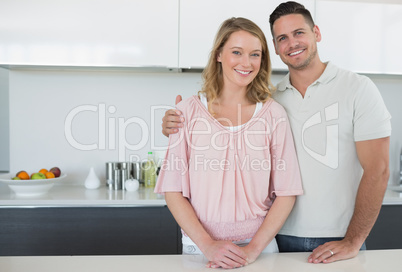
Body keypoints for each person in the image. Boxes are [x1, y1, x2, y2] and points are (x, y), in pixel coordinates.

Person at [161, 1, 391, 265]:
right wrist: (175, 123)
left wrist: (353, 240)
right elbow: (176, 183)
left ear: (316, 33)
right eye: (282, 37)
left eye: (299, 33)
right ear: (219, 54)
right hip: (278, 236)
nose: (292, 43)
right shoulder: (274, 97)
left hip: (334, 238)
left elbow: (379, 169)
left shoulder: (353, 89)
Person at [155, 17, 303, 269]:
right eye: (237, 52)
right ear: (219, 55)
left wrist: (253, 250)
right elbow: (173, 190)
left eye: (255, 54)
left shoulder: (273, 114)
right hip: (199, 247)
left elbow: (287, 192)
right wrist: (208, 245)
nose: (246, 63)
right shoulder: (186, 111)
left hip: (260, 248)